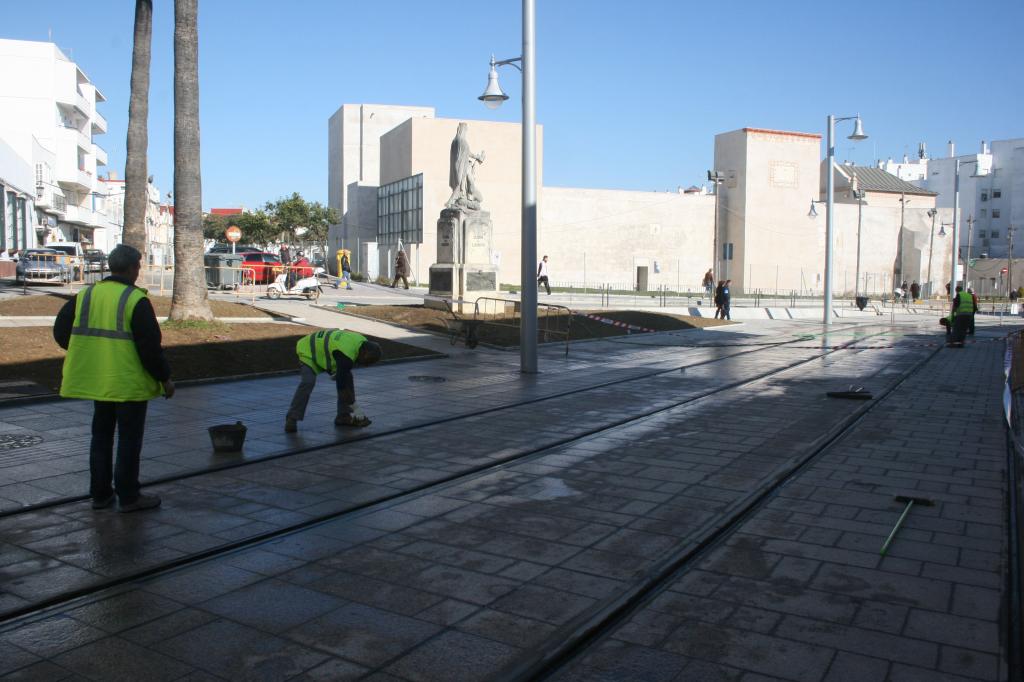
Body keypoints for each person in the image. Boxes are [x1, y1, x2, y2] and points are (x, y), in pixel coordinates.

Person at [52, 244, 173, 512]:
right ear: (132, 268)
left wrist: (89, 353)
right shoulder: (135, 300)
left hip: (96, 381)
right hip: (128, 384)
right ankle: (129, 495)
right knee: (129, 440)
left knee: (101, 436)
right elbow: (150, 348)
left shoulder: (86, 295)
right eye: (139, 266)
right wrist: (165, 378)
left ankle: (100, 494)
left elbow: (61, 332)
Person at [285, 329, 382, 433]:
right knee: (308, 382)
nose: (364, 365)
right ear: (363, 353)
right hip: (309, 351)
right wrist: (357, 411)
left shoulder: (361, 342)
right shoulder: (346, 354)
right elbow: (341, 387)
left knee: (347, 377)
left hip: (327, 353)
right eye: (366, 362)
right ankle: (292, 418)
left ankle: (343, 416)